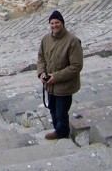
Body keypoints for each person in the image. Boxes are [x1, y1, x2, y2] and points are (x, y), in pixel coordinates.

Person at [37, 10, 83, 140]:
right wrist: (41, 72)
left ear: (62, 23)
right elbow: (41, 57)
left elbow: (76, 66)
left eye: (57, 22)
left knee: (61, 112)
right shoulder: (46, 39)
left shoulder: (72, 41)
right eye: (52, 23)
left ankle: (62, 134)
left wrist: (55, 77)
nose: (54, 25)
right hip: (49, 85)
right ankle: (58, 130)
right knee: (52, 109)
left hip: (64, 86)